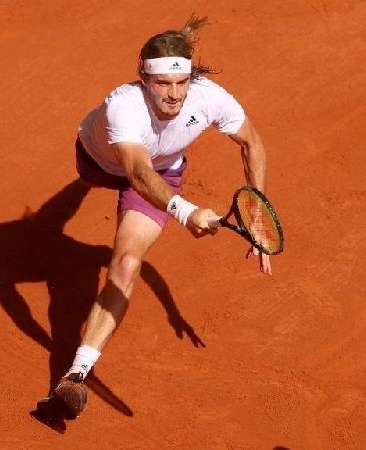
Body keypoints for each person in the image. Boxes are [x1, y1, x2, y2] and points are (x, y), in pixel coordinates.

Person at [39, 14, 273, 421]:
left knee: (127, 263)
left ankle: (76, 374)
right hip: (101, 163)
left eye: (181, 83)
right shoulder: (122, 107)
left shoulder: (210, 97)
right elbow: (136, 172)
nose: (174, 94)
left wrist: (256, 210)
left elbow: (251, 141)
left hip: (161, 173)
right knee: (76, 192)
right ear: (144, 79)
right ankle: (68, 199)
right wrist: (185, 211)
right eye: (163, 84)